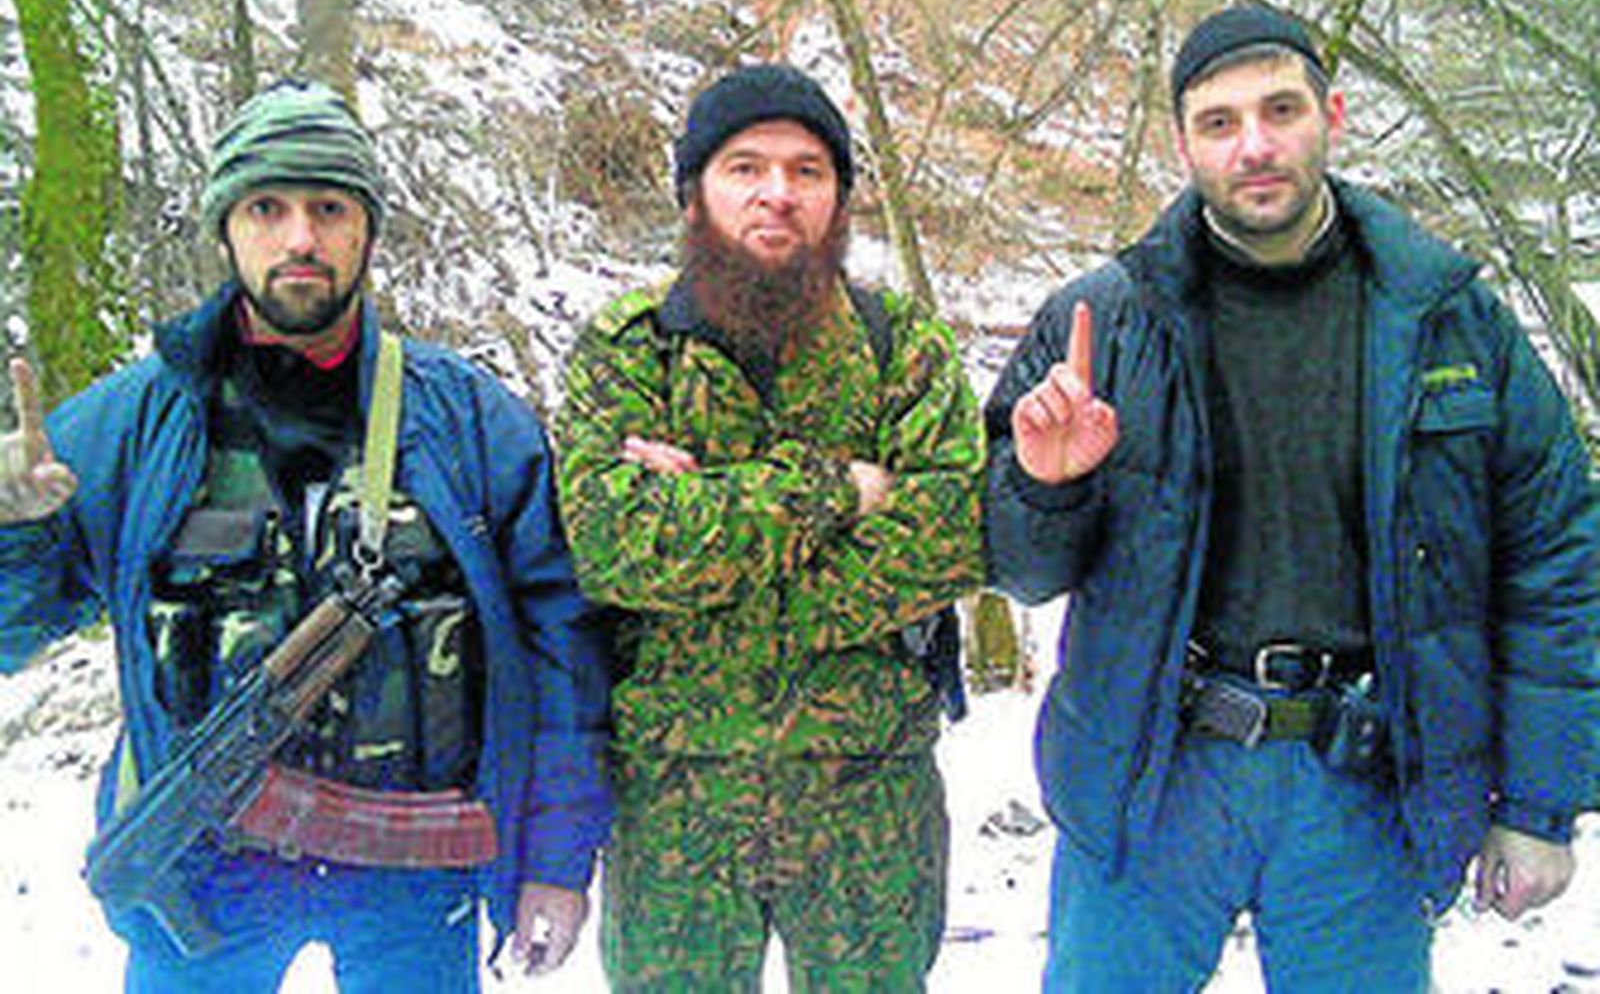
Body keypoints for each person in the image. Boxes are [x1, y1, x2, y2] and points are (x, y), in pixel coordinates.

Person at [984, 4, 1600, 991]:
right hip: (1155, 767)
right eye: (1219, 122)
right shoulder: (1106, 321)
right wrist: (1044, 485)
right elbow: (1020, 568)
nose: (1255, 145)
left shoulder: (1445, 317)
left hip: (1364, 776)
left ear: (1333, 114)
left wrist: (1537, 802)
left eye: (1281, 110)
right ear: (1180, 142)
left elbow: (1555, 556)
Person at [0, 79, 611, 991]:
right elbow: (13, 632)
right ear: (225, 226)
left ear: (366, 228)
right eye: (267, 207)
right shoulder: (128, 425)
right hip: (203, 873)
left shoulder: (471, 421)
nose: (300, 239)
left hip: (415, 876)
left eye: (329, 208)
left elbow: (560, 642)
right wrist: (14, 531)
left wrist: (556, 860)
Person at [556, 62, 984, 991]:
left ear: (839, 199)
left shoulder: (900, 346)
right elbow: (612, 544)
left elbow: (946, 537)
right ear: (694, 194)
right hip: (676, 804)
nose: (777, 194)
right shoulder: (628, 349)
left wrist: (705, 536)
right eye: (745, 167)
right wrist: (835, 492)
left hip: (868, 794)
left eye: (807, 171)